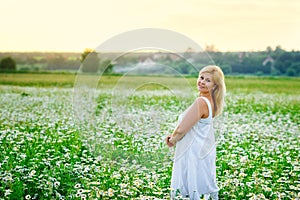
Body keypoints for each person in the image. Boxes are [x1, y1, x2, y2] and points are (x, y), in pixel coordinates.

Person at [165, 65, 226, 200]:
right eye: (201, 77)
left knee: (192, 186)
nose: (202, 82)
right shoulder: (212, 102)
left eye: (208, 80)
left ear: (215, 86)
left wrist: (172, 139)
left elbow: (182, 128)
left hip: (192, 150)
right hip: (202, 149)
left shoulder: (201, 102)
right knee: (200, 183)